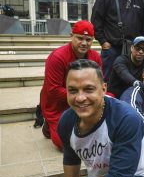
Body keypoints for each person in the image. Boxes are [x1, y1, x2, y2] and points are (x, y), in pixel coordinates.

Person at [34, 59, 144, 177]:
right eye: (73, 90)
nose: (80, 98)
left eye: (89, 89)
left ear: (103, 89)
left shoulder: (126, 118)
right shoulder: (66, 121)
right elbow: (71, 158)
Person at [40, 20, 102, 150]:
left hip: (84, 101)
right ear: (71, 36)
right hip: (58, 105)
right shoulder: (57, 57)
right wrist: (82, 97)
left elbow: (99, 83)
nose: (84, 43)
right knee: (65, 144)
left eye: (88, 39)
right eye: (80, 38)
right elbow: (54, 90)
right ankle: (49, 124)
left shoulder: (95, 57)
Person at [91, 0, 143, 82]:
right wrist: (102, 41)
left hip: (131, 51)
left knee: (127, 82)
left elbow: (141, 26)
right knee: (107, 81)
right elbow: (96, 18)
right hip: (111, 49)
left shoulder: (139, 0)